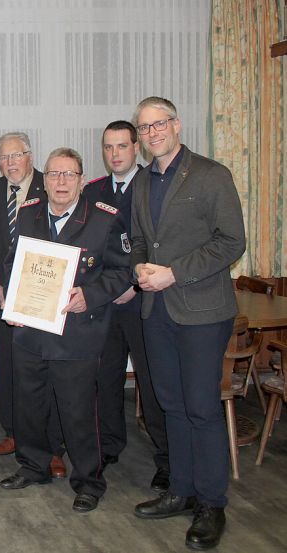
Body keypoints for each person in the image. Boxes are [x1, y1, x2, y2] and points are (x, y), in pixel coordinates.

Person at [130, 96, 246, 551]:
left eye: (159, 124)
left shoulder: (211, 175)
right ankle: (181, 490)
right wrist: (140, 268)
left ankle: (212, 504)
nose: (152, 133)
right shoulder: (143, 181)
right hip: (156, 311)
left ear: (176, 124)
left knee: (201, 408)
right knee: (171, 405)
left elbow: (231, 241)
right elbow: (139, 239)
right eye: (145, 128)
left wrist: (174, 273)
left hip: (202, 312)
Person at [0, 148, 130, 513]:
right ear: (44, 181)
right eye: (54, 174)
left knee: (78, 412)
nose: (61, 182)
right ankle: (34, 465)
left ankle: (88, 481)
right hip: (31, 331)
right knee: (29, 406)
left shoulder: (104, 219)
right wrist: (10, 299)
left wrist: (91, 295)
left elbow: (122, 271)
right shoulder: (28, 214)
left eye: (69, 174)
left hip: (77, 335)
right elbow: (12, 263)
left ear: (82, 180)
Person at [82, 120, 169, 492]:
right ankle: (109, 445)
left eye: (121, 146)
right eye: (108, 147)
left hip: (144, 300)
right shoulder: (92, 190)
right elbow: (88, 246)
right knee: (106, 378)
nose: (114, 154)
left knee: (152, 382)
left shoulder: (153, 184)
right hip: (105, 303)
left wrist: (133, 284)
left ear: (137, 147)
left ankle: (167, 458)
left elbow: (159, 241)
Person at [0, 132, 66, 478]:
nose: (10, 163)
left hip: (41, 294)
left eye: (16, 155)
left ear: (30, 157)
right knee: (6, 366)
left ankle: (52, 446)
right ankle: (14, 433)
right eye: (4, 158)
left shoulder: (50, 186)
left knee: (45, 371)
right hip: (2, 296)